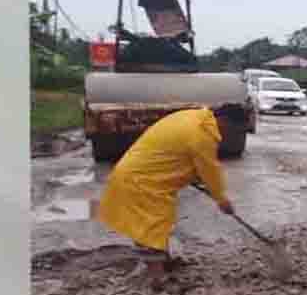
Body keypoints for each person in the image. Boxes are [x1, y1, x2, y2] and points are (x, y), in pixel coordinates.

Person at [96, 105, 240, 285]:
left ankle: (163, 262)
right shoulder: (203, 134)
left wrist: (192, 175)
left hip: (139, 175)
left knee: (158, 223)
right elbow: (209, 168)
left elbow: (178, 152)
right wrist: (221, 199)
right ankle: (157, 277)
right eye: (232, 129)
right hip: (142, 182)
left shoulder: (193, 117)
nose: (228, 134)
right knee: (151, 227)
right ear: (225, 121)